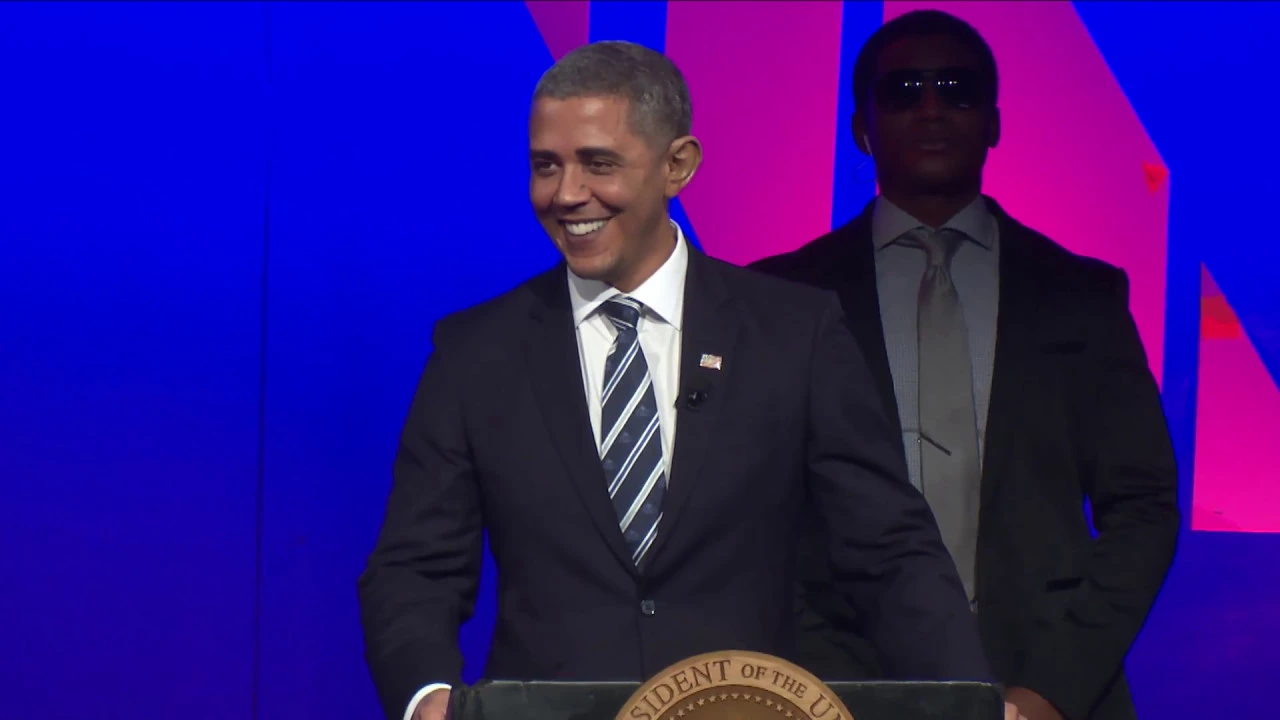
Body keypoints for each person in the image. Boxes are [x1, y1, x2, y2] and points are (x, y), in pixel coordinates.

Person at [358, 40, 1019, 720]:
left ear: (678, 165)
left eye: (598, 163)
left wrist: (971, 700)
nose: (567, 194)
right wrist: (427, 699)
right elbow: (414, 569)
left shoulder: (793, 333)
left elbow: (888, 550)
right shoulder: (476, 353)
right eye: (545, 165)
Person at [749, 10, 1180, 720]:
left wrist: (1051, 690)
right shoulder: (778, 297)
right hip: (835, 690)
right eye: (903, 91)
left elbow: (1144, 507)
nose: (931, 108)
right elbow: (748, 517)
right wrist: (813, 683)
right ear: (860, 128)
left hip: (1050, 686)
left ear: (995, 122)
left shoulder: (1083, 296)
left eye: (957, 89)